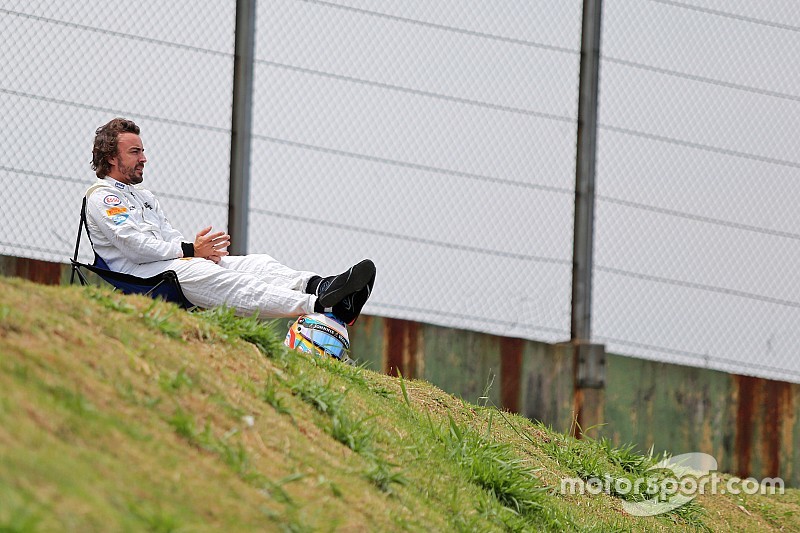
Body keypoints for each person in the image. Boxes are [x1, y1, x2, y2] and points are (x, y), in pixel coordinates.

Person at [85, 117, 375, 324]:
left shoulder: (144, 196)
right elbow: (134, 246)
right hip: (146, 277)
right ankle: (322, 306)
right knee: (232, 281)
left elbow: (169, 236)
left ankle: (321, 286)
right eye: (135, 152)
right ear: (111, 158)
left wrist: (200, 250)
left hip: (173, 264)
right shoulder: (102, 197)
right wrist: (189, 251)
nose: (144, 158)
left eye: (143, 150)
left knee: (256, 263)